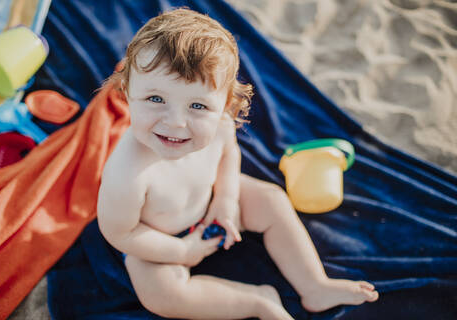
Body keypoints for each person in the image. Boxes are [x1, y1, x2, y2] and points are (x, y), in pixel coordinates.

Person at [97, 8, 378, 320]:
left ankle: (314, 285)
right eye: (155, 99)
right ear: (127, 91)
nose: (176, 122)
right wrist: (180, 251)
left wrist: (226, 200)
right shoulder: (126, 172)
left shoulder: (220, 126)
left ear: (225, 105)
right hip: (159, 241)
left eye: (198, 105)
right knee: (161, 295)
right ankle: (257, 301)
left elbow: (229, 155)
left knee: (272, 199)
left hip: (213, 207)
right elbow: (121, 234)